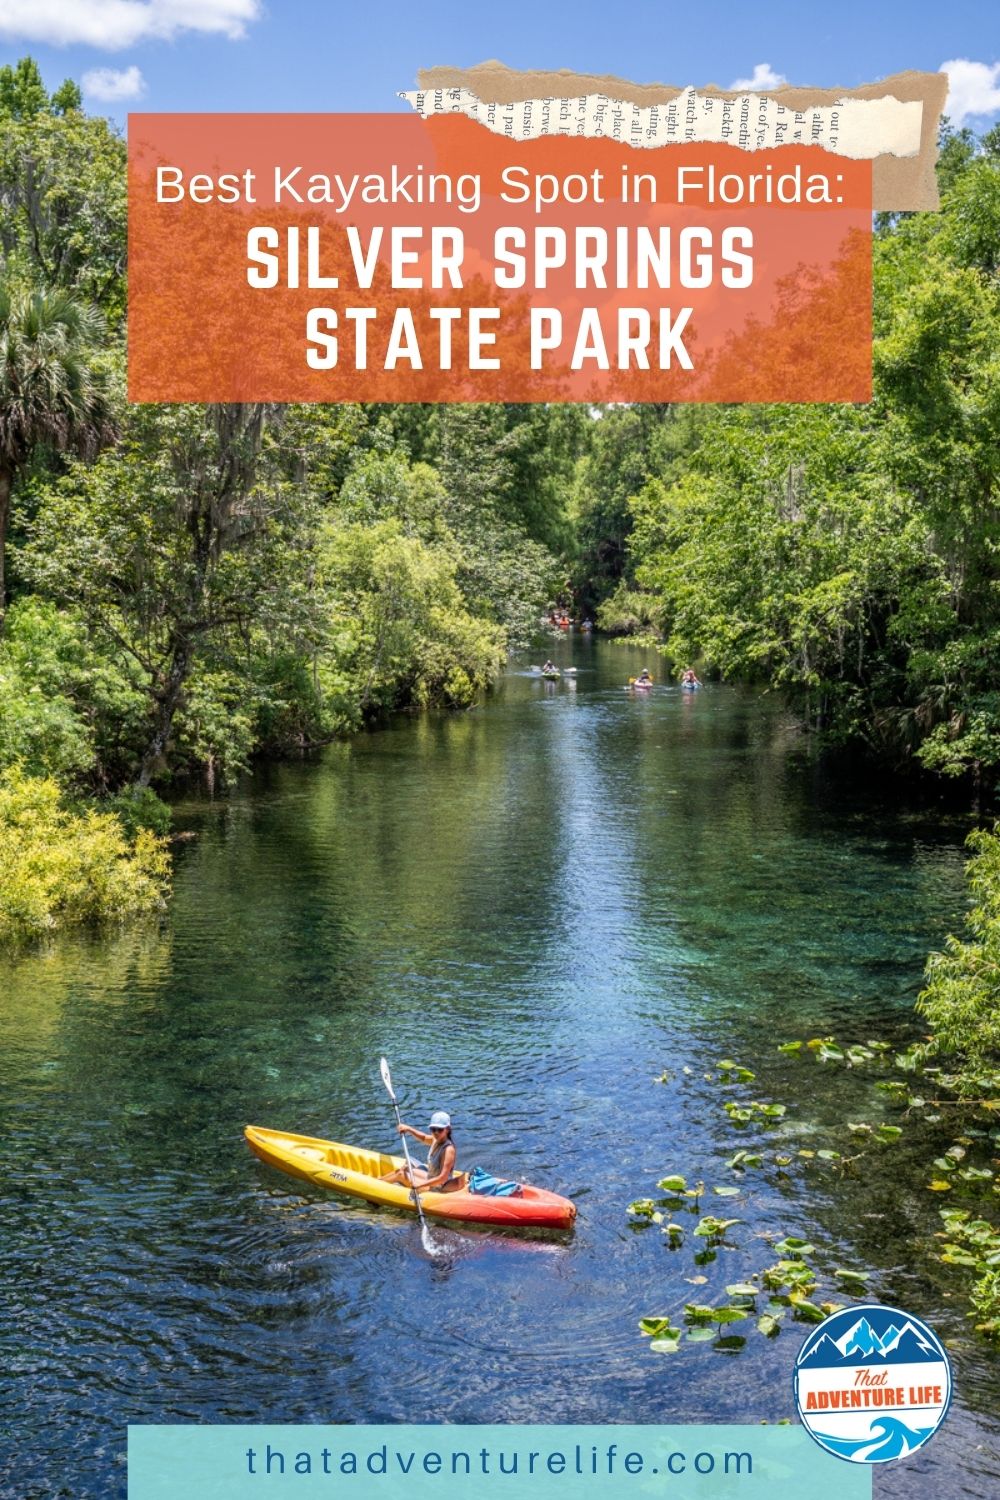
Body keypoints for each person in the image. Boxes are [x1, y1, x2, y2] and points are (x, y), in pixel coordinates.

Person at [383, 1110, 460, 1192]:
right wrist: (409, 1129)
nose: (436, 1132)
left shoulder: (449, 1150)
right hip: (431, 1179)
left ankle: (375, 1185)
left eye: (440, 1129)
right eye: (433, 1129)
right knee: (406, 1169)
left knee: (401, 1174)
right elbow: (424, 1138)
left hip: (438, 1188)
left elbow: (442, 1178)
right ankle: (378, 1181)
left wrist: (420, 1185)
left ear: (447, 1129)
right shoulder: (436, 1139)